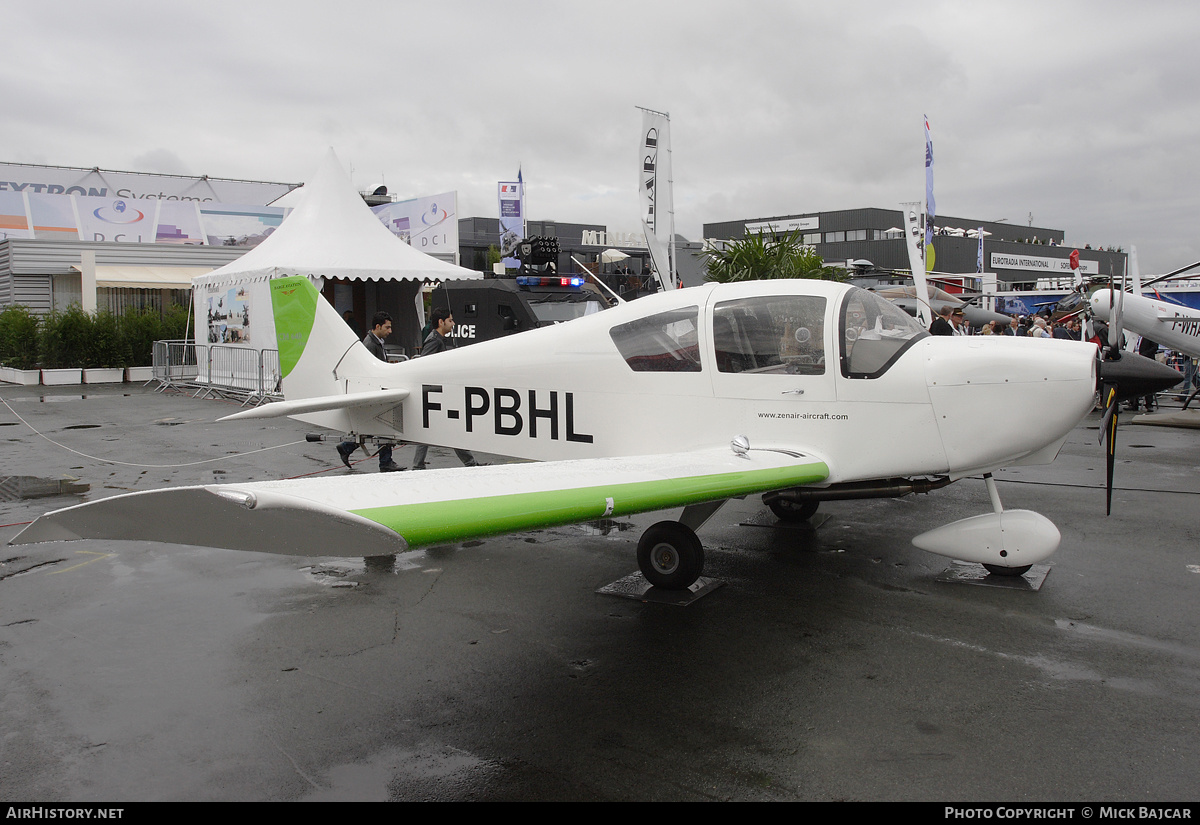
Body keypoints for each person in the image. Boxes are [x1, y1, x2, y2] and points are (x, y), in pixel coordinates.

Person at [411, 307, 484, 470]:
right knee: (446, 429)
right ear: (441, 322)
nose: (453, 323)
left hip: (435, 393)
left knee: (434, 430)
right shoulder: (434, 340)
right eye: (450, 320)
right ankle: (469, 464)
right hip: (433, 393)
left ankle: (419, 465)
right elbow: (424, 365)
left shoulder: (438, 339)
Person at [337, 312, 403, 472]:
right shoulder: (370, 345)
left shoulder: (376, 342)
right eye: (387, 327)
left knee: (377, 428)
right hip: (376, 392)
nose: (390, 331)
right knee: (383, 428)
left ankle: (348, 447)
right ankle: (385, 462)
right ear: (378, 326)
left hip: (378, 391)